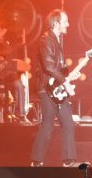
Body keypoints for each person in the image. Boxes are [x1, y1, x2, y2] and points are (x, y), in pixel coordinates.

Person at [29, 9, 79, 167]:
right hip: (47, 88)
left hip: (57, 88)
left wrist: (70, 76)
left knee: (68, 123)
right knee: (48, 125)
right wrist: (65, 82)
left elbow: (58, 67)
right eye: (65, 22)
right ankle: (36, 162)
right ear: (56, 23)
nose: (68, 25)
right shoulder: (46, 40)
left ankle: (69, 161)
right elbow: (49, 66)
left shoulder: (56, 39)